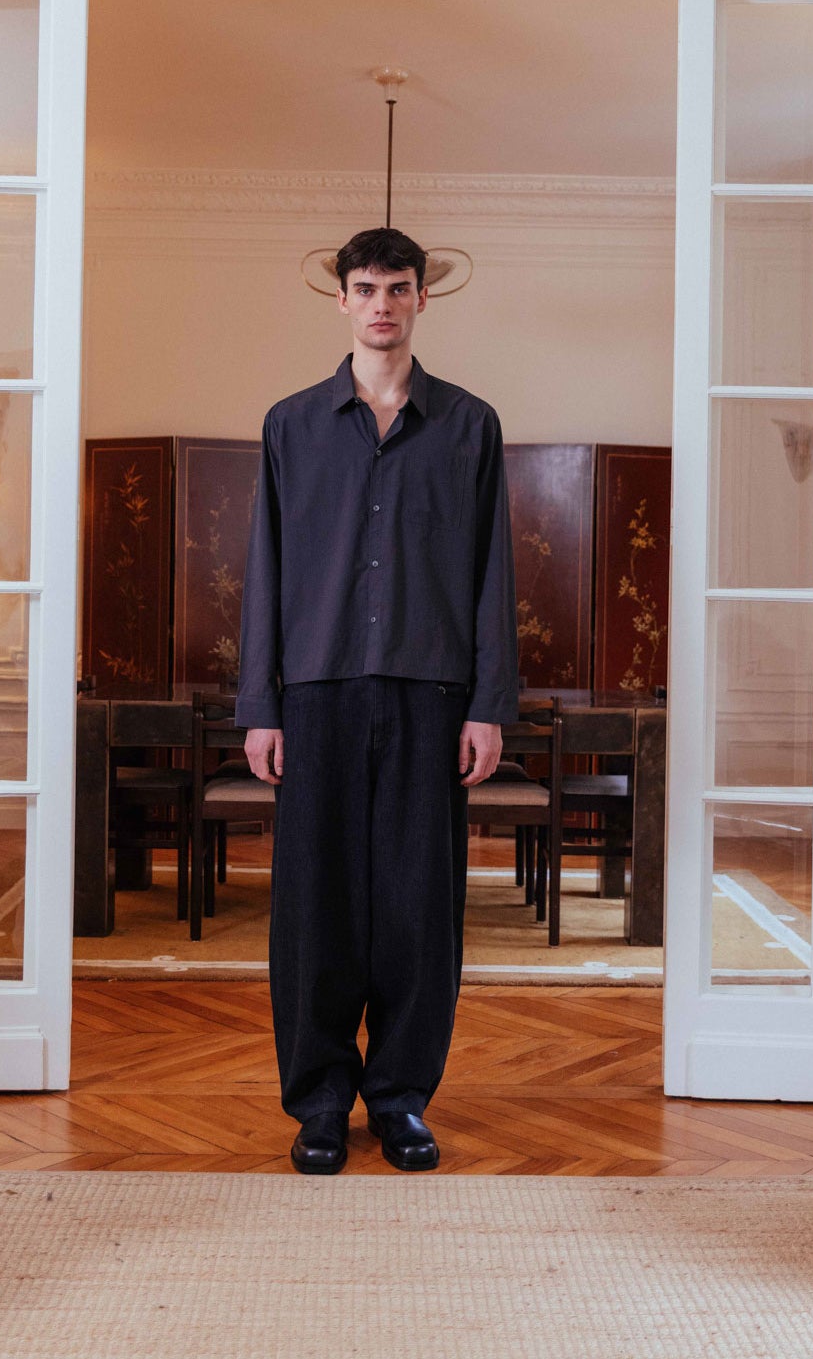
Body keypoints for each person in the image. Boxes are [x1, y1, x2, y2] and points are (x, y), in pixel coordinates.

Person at [235, 225, 519, 1175]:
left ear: (422, 298)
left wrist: (488, 703)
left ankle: (399, 1099)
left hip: (431, 698)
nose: (381, 304)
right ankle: (319, 1102)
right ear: (342, 298)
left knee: (416, 910)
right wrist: (259, 706)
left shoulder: (470, 426)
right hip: (314, 696)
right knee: (313, 908)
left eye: (398, 287)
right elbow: (266, 568)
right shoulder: (290, 425)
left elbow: (490, 571)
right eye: (365, 287)